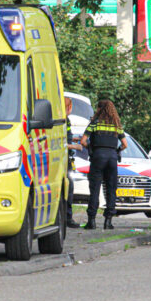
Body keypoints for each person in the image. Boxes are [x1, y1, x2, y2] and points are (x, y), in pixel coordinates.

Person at [80, 100, 127, 230]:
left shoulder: (94, 123)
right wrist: (116, 151)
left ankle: (92, 221)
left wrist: (91, 147)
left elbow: (83, 141)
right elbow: (125, 144)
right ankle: (108, 221)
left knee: (95, 189)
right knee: (111, 189)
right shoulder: (116, 125)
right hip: (112, 158)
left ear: (100, 109)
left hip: (98, 157)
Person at [64, 97, 82, 228]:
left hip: (64, 159)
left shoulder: (63, 120)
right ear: (69, 107)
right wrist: (75, 147)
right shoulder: (63, 120)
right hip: (63, 160)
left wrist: (73, 139)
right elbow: (59, 143)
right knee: (68, 189)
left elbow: (65, 137)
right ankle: (67, 218)